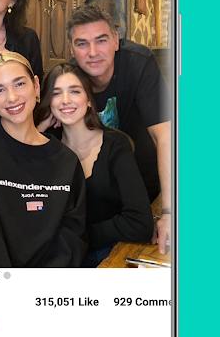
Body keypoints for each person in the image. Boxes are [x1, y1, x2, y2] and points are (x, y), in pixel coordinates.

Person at [0, 52, 87, 268]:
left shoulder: (66, 160)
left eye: (19, 84)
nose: (11, 97)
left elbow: (72, 240)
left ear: (36, 86)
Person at [66, 3, 171, 254]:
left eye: (101, 40)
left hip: (145, 185)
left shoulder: (138, 62)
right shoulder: (69, 80)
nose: (93, 52)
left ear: (115, 40)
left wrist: (168, 212)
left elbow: (165, 135)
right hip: (99, 200)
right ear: (71, 49)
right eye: (82, 44)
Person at [36, 63, 154, 267]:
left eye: (75, 91)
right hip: (59, 259)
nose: (65, 100)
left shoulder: (115, 144)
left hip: (107, 255)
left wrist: (76, 236)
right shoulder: (46, 147)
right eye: (56, 93)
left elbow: (140, 222)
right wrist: (38, 130)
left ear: (89, 100)